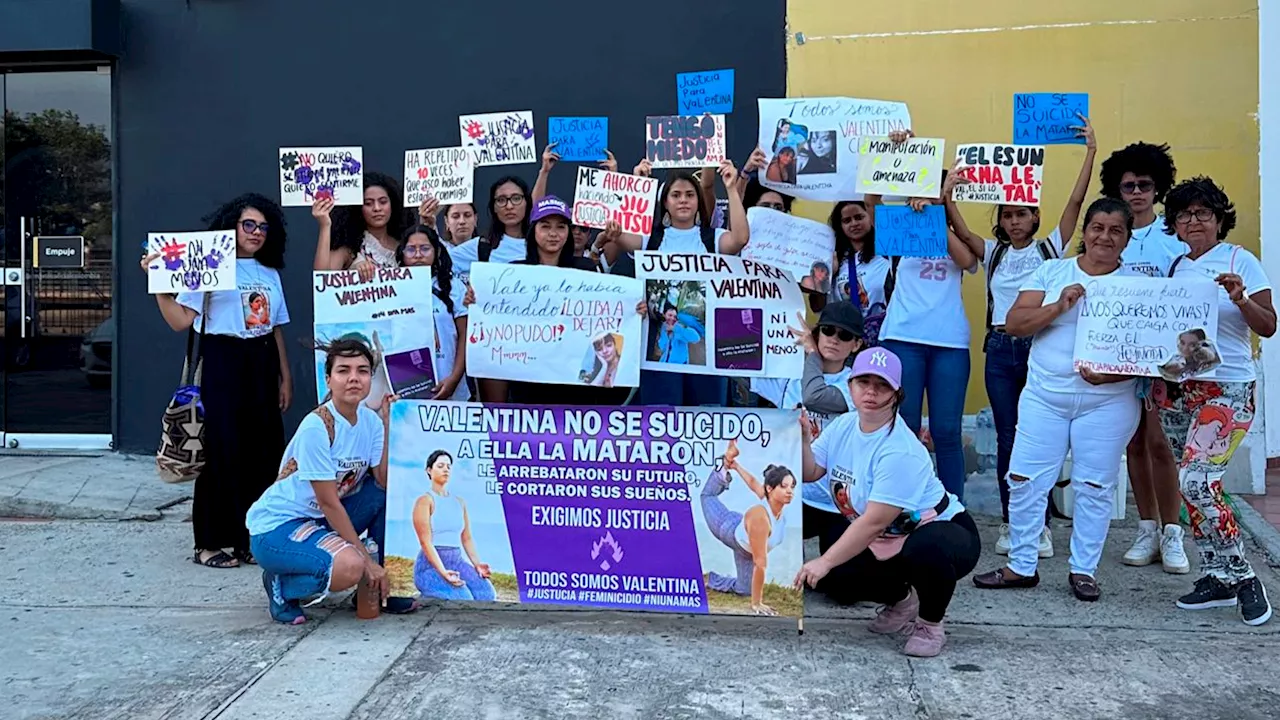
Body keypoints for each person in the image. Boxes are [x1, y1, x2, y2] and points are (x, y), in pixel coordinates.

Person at [973, 198, 1143, 602]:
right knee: (1025, 479)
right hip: (1045, 396)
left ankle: (1083, 570)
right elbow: (1014, 323)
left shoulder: (1137, 285)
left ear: (1126, 239)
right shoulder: (1051, 271)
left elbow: (1150, 353)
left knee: (1095, 484)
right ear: (1085, 232)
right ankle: (1021, 564)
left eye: (1115, 230)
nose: (1105, 236)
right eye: (1098, 227)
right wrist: (1057, 305)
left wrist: (1111, 375)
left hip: (1108, 400)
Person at [947, 114, 1096, 556]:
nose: (1015, 222)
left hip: (1039, 348)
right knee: (1010, 435)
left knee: (1039, 436)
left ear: (1035, 217)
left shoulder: (1051, 248)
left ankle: (1043, 522)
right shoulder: (992, 254)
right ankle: (1016, 522)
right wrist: (949, 192)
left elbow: (1074, 205)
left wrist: (1089, 152)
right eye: (1008, 215)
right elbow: (959, 230)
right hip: (998, 350)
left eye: (1022, 214)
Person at [794, 347, 979, 658]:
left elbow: (874, 521)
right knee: (840, 577)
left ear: (897, 394)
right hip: (888, 537)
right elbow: (811, 472)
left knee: (924, 550)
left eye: (882, 385)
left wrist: (823, 562)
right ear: (849, 385)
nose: (871, 391)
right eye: (863, 382)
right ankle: (903, 601)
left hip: (941, 528)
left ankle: (930, 623)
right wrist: (802, 441)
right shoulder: (843, 426)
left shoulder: (899, 449)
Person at [142, 193, 292, 569]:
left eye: (262, 226)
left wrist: (284, 378)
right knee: (221, 451)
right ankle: (209, 542)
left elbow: (274, 330)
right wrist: (159, 283)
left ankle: (248, 539)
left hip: (262, 361)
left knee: (263, 452)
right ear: (232, 227)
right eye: (249, 225)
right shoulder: (209, 268)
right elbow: (179, 320)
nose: (256, 232)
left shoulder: (269, 271)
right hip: (224, 360)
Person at [1157, 177, 1275, 625]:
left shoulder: (1240, 260)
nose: (1193, 221)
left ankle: (1244, 576)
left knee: (1195, 481)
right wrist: (1161, 380)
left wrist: (1240, 297)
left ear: (1220, 219)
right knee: (1196, 489)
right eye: (1184, 214)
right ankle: (1214, 574)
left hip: (1228, 387)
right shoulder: (1175, 268)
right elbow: (1169, 337)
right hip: (1183, 390)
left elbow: (1268, 325)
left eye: (1203, 213)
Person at [246, 339, 417, 623]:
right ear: (328, 379)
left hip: (319, 521)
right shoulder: (317, 426)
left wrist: (389, 424)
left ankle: (380, 589)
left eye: (362, 371)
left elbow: (384, 483)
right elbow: (328, 502)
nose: (353, 378)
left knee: (382, 496)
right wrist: (364, 560)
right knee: (350, 567)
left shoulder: (370, 422)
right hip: (279, 527)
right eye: (343, 370)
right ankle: (281, 586)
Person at [1100, 141, 1191, 572]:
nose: (1136, 192)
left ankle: (1173, 533)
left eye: (1145, 184)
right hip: (1121, 354)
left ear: (1158, 188)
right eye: (1128, 185)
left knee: (1161, 444)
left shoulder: (1172, 240)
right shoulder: (1109, 235)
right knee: (1133, 443)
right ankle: (1147, 526)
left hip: (1164, 361)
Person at [869, 156, 977, 500]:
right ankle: (901, 503)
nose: (928, 199)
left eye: (938, 194)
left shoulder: (950, 232)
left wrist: (938, 214)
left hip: (949, 344)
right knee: (904, 428)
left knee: (946, 431)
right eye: (926, 192)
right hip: (902, 338)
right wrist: (890, 152)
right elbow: (871, 203)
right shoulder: (902, 227)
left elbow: (968, 261)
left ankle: (952, 510)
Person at [464, 196, 642, 406]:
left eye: (560, 227)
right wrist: (476, 300)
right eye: (545, 226)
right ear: (533, 231)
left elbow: (609, 320)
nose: (553, 234)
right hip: (527, 386)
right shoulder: (513, 272)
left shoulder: (585, 269)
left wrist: (635, 310)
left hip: (576, 389)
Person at [619, 160, 749, 406]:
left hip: (708, 358)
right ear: (665, 203)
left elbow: (741, 238)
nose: (683, 200)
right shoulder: (650, 240)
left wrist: (731, 188)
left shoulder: (712, 239)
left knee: (707, 422)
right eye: (675, 195)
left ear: (699, 201)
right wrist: (637, 186)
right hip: (656, 356)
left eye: (690, 194)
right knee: (661, 419)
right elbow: (618, 235)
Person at [758, 302, 866, 549]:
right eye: (827, 330)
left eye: (845, 335)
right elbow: (733, 361)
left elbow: (814, 396)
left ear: (856, 344)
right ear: (817, 333)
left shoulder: (857, 382)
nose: (834, 339)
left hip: (838, 503)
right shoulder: (789, 377)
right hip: (794, 499)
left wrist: (812, 353)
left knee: (834, 583)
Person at [701, 440, 797, 616]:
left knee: (744, 589)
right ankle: (723, 464)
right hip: (727, 527)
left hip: (745, 547)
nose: (790, 491)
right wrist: (757, 603)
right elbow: (760, 564)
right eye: (784, 486)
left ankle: (709, 580)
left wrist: (736, 466)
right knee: (707, 496)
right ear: (770, 488)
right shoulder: (762, 518)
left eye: (792, 486)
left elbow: (753, 482)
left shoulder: (772, 504)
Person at [411, 450, 497, 601]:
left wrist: (477, 564)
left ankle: (439, 594)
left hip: (456, 561)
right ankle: (427, 598)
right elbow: (425, 542)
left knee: (487, 595)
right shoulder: (425, 501)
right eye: (440, 466)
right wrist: (443, 572)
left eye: (449, 466)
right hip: (430, 566)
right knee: (464, 599)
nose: (446, 469)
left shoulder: (459, 502)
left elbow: (467, 538)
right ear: (429, 471)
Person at [397, 224, 469, 401]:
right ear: (402, 253)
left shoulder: (454, 287)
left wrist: (454, 379)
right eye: (411, 249)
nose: (418, 255)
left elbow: (465, 335)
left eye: (425, 248)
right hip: (407, 387)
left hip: (451, 382)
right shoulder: (391, 288)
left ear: (437, 252)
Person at [312, 172, 406, 279]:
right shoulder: (349, 247)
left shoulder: (405, 245)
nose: (377, 208)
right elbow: (322, 278)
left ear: (392, 204)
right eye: (368, 203)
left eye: (383, 202)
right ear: (358, 208)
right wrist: (325, 225)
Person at [829, 201, 888, 344]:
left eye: (859, 217)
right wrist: (829, 274)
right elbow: (820, 307)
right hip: (849, 340)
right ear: (840, 226)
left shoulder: (887, 254)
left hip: (886, 336)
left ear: (871, 217)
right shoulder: (836, 260)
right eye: (847, 220)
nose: (854, 223)